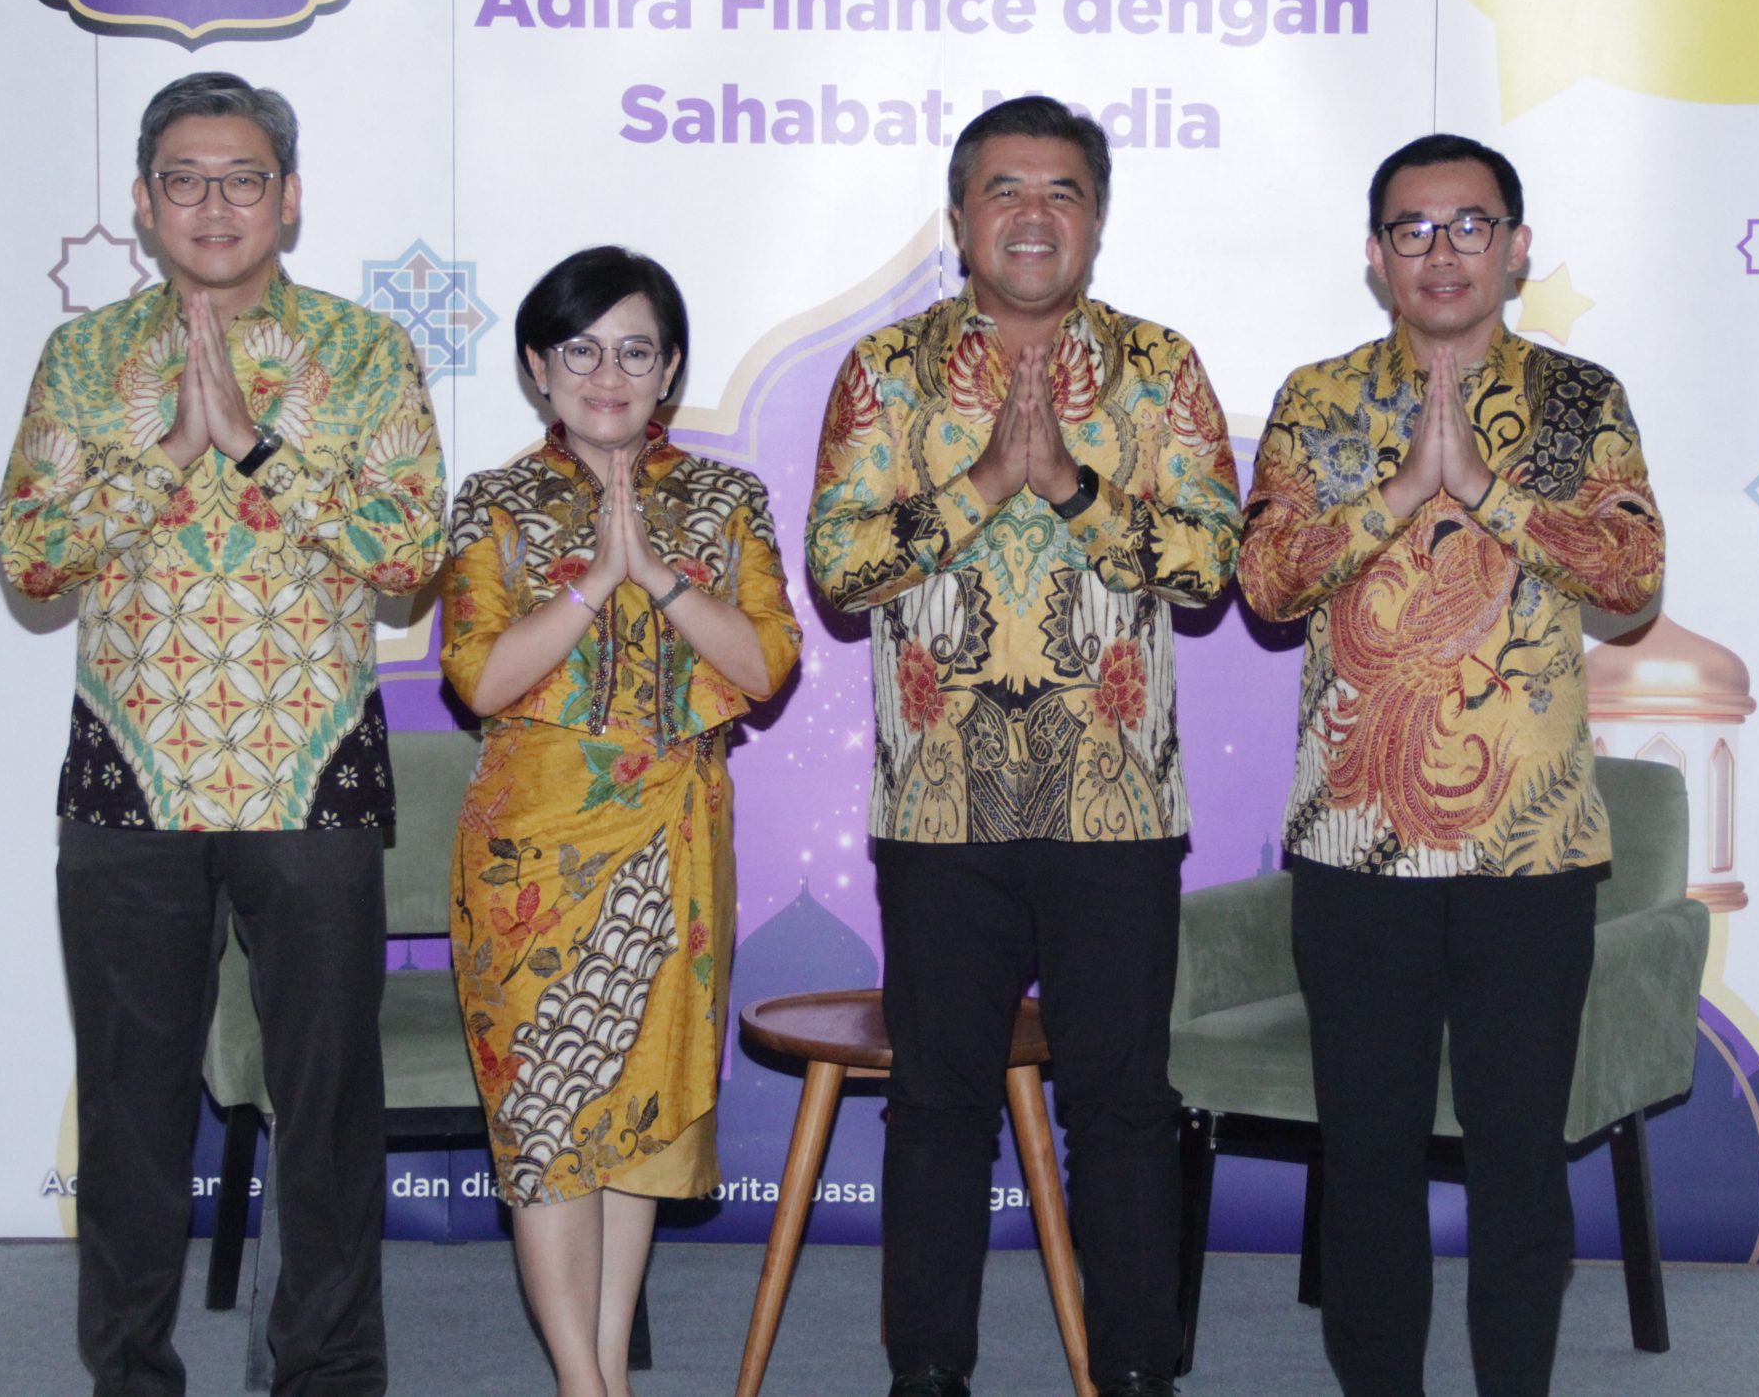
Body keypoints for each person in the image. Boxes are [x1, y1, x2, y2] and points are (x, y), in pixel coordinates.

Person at [0, 71, 448, 1397]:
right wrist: (161, 458)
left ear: (288, 200)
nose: (214, 204)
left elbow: (409, 557)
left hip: (311, 772)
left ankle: (329, 1371)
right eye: (185, 179)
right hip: (128, 773)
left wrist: (251, 447)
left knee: (327, 1104)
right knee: (130, 1105)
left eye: (243, 178)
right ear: (143, 203)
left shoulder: (364, 351)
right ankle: (128, 1371)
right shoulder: (85, 358)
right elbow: (29, 557)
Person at [807, 96, 1242, 1397]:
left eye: (1062, 191)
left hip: (1115, 803)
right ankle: (928, 1371)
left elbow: (1212, 564)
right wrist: (989, 480)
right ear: (959, 218)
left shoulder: (1160, 368)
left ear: (1097, 219)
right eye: (1005, 189)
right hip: (941, 808)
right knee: (939, 1105)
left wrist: (1069, 487)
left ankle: (1137, 1371)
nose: (1033, 215)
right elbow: (840, 568)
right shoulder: (886, 371)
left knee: (1123, 1106)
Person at [1237, 133, 1665, 1397]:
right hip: (1355, 844)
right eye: (1412, 229)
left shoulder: (1581, 401)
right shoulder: (1318, 401)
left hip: (1528, 850)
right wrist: (1395, 496)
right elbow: (1264, 583)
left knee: (1518, 1156)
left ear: (1516, 249)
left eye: (1469, 225)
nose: (1442, 252)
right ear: (1375, 256)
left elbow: (1632, 579)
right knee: (1366, 1156)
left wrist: (1483, 489)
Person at [441, 246, 802, 1397]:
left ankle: (607, 1380)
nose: (608, 375)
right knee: (549, 1118)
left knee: (635, 1122)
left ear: (672, 370)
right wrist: (595, 579)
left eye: (635, 351)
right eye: (582, 350)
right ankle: (581, 1385)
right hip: (531, 856)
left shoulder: (726, 500)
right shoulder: (493, 503)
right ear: (537, 368)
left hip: (674, 843)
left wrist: (660, 574)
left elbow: (764, 666)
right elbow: (481, 680)